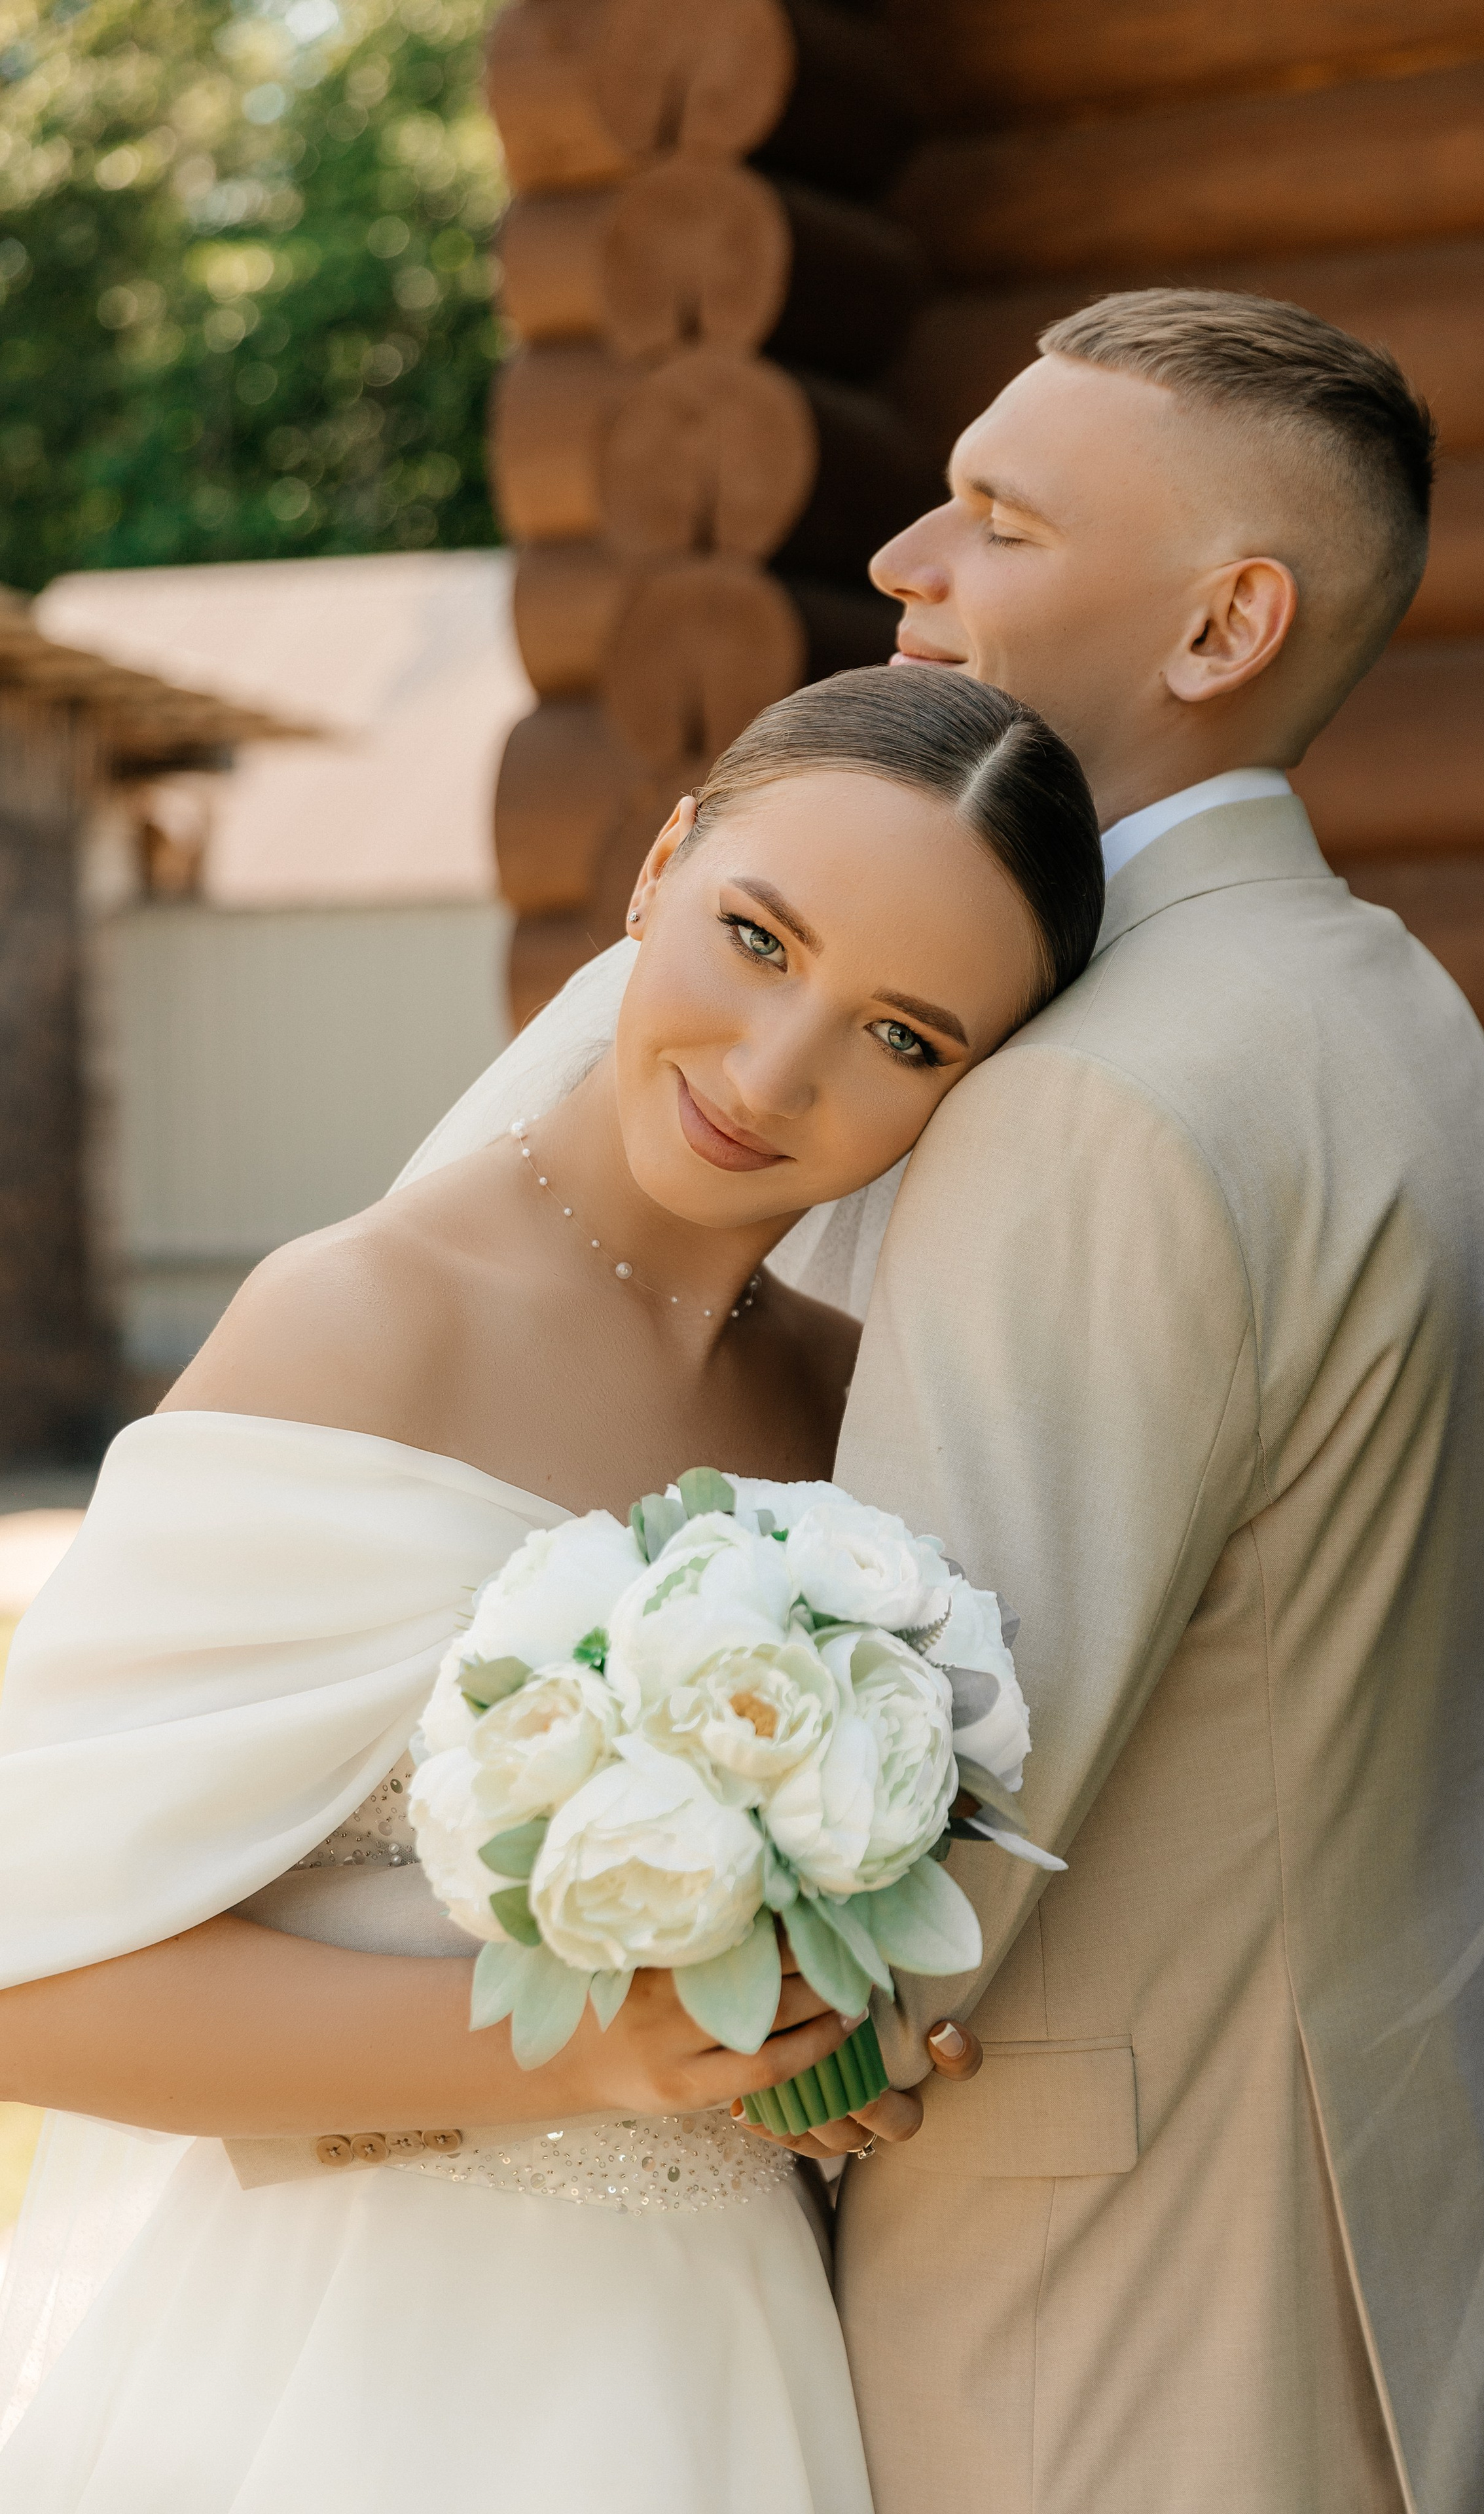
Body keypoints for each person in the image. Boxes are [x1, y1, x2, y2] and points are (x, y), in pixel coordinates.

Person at [416, 289, 1484, 2513]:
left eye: (1000, 519)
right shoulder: (1381, 1002)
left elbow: (898, 1848)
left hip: (1116, 2337)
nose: (902, 560)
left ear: (1224, 624)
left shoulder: (1091, 1102)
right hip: (1383, 2257)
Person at [0, 667, 1106, 2511]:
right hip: (355, 2389)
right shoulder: (364, 1323)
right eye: (757, 938)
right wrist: (595, 2051)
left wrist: (818, 2037)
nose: (774, 1072)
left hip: (729, 2369)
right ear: (661, 867)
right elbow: (27, 1978)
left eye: (904, 1038)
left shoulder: (855, 1416)